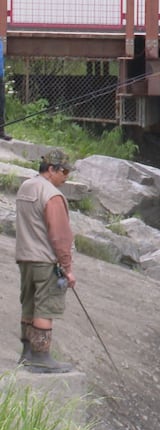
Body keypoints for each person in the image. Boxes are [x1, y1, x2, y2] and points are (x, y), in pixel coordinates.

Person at [15, 149, 75, 373]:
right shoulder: (52, 195)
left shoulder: (26, 187)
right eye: (64, 171)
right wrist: (67, 268)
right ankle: (41, 357)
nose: (67, 175)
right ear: (52, 169)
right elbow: (60, 236)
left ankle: (27, 354)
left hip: (25, 258)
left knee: (28, 304)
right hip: (45, 260)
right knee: (45, 307)